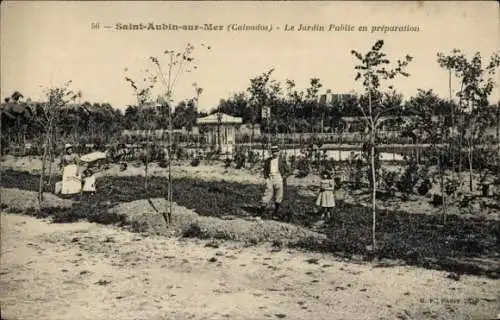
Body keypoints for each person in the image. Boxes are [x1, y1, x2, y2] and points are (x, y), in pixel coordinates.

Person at [261, 145, 290, 220]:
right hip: (270, 177)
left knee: (279, 194)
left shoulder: (282, 160)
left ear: (278, 152)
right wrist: (266, 178)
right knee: (267, 193)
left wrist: (283, 177)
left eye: (276, 152)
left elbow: (288, 170)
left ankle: (276, 212)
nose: (274, 153)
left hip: (278, 177)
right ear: (271, 152)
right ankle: (263, 212)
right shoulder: (268, 160)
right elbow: (265, 170)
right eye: (273, 152)